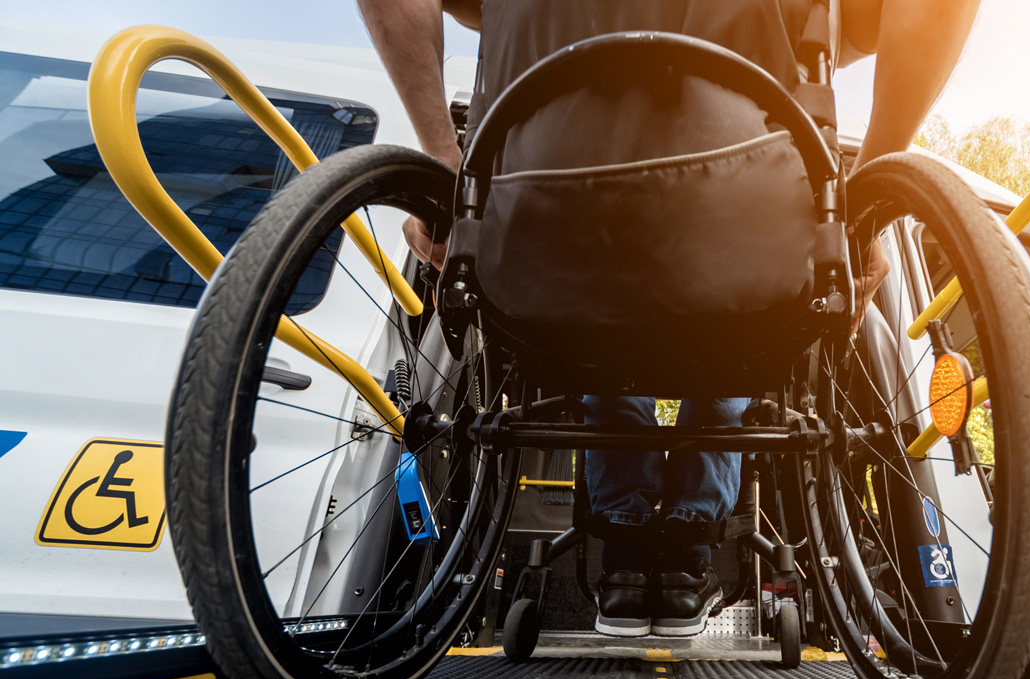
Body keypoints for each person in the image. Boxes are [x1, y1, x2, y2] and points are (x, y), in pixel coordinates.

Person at [357, 0, 980, 637]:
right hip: (743, 253)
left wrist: (445, 168)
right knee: (737, 320)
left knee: (598, 319)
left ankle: (626, 550)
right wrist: (864, 207)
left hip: (549, 251)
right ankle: (687, 545)